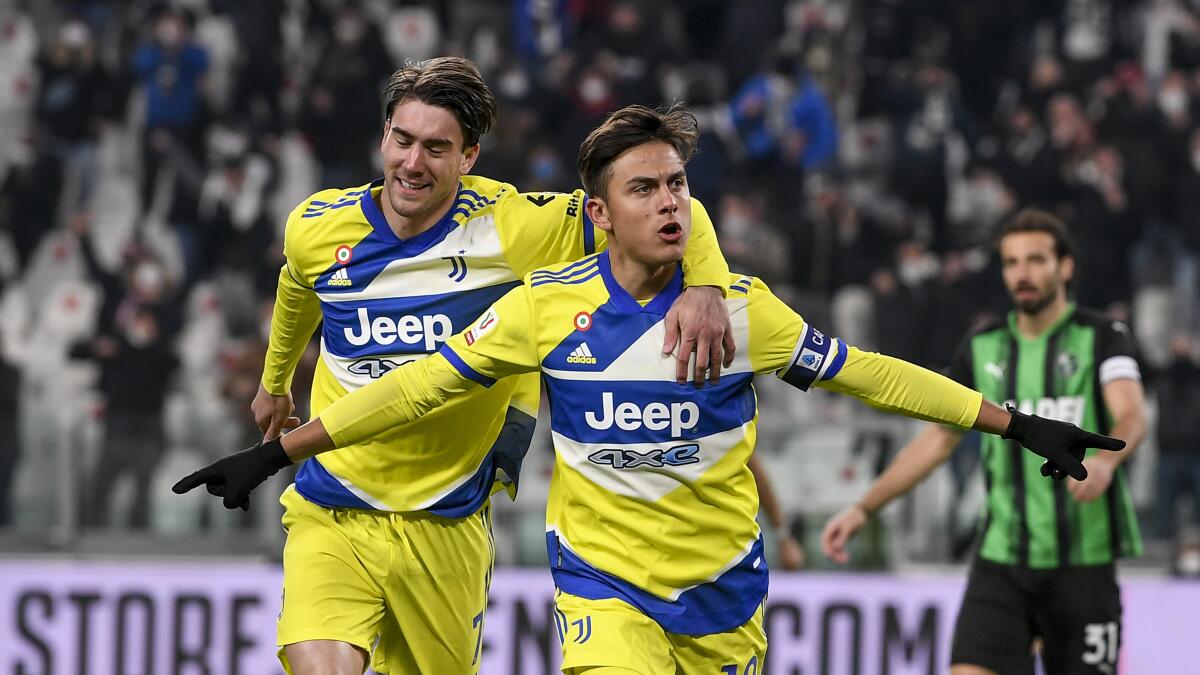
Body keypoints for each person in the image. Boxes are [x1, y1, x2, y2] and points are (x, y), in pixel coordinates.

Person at [176, 106, 1122, 674]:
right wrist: (276, 449)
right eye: (644, 189)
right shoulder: (543, 311)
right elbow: (415, 388)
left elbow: (870, 375)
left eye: (678, 185)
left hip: (722, 587)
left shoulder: (741, 314)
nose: (669, 202)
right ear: (598, 215)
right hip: (601, 583)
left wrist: (1017, 423)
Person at [227, 57, 733, 675]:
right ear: (384, 136)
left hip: (448, 519)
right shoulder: (317, 225)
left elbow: (674, 208)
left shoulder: (512, 226)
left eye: (436, 148)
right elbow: (299, 284)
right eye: (403, 140)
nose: (413, 163)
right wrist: (275, 381)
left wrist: (705, 286)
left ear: (468, 158)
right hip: (335, 503)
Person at [821, 208, 1146, 675]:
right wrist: (863, 508)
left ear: (1065, 267)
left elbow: (1132, 413)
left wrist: (1106, 463)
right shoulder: (980, 347)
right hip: (1001, 565)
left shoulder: (1103, 337)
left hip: (1083, 566)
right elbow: (938, 442)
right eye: (1012, 262)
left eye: (1036, 260)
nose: (1022, 273)